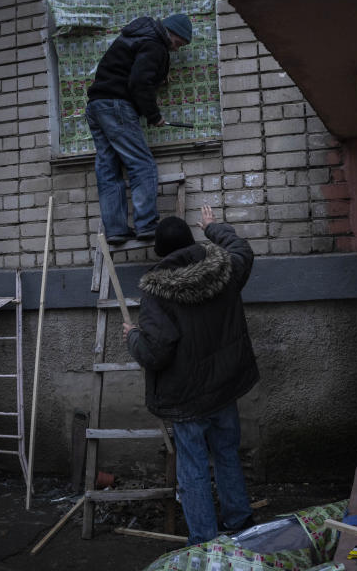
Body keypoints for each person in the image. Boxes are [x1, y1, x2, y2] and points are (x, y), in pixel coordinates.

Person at [122, 205, 259, 544]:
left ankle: (205, 541)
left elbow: (156, 351)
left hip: (186, 399)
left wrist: (132, 336)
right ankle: (239, 524)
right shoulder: (223, 268)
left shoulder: (157, 292)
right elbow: (242, 250)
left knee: (193, 468)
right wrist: (213, 228)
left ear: (160, 252)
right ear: (190, 239)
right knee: (227, 454)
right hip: (224, 387)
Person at [86, 14, 192, 244]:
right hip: (116, 105)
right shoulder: (155, 44)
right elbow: (139, 82)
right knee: (142, 165)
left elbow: (130, 72)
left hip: (96, 106)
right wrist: (154, 116)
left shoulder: (136, 37)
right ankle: (146, 225)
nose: (175, 49)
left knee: (108, 169)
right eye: (178, 43)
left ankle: (115, 230)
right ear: (171, 33)